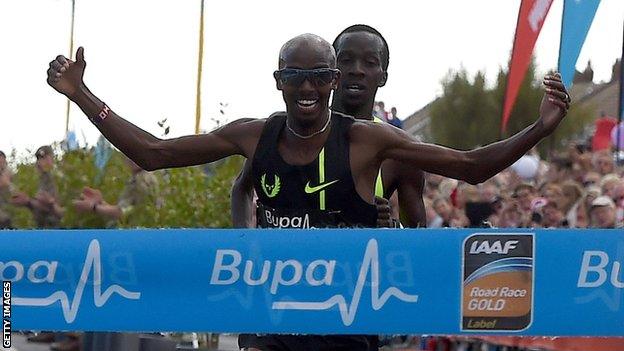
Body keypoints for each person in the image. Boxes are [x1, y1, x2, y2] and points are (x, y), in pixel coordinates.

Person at [48, 33, 569, 350]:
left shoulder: (368, 142)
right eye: (294, 76)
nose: (306, 87)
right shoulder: (256, 134)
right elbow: (154, 154)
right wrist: (82, 94)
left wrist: (541, 128)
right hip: (272, 314)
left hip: (345, 320)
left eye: (318, 76)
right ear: (278, 80)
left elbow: (472, 168)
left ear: (332, 81)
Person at [232, 25, 426, 228]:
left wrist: (390, 229)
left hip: (357, 259)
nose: (356, 70)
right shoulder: (288, 131)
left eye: (369, 62)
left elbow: (418, 237)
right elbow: (241, 188)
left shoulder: (398, 149)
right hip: (287, 259)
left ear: (383, 76)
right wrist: (244, 242)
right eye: (346, 60)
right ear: (333, 70)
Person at [73, 157, 159, 227]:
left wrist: (94, 207)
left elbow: (123, 213)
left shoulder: (142, 180)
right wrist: (101, 203)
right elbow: (125, 209)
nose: (132, 157)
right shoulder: (137, 178)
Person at [10, 145, 65, 228]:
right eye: (39, 159)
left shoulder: (60, 178)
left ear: (52, 158)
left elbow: (61, 210)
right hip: (42, 226)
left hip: (61, 227)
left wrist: (30, 202)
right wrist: (27, 202)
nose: (40, 162)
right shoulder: (39, 179)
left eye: (44, 158)